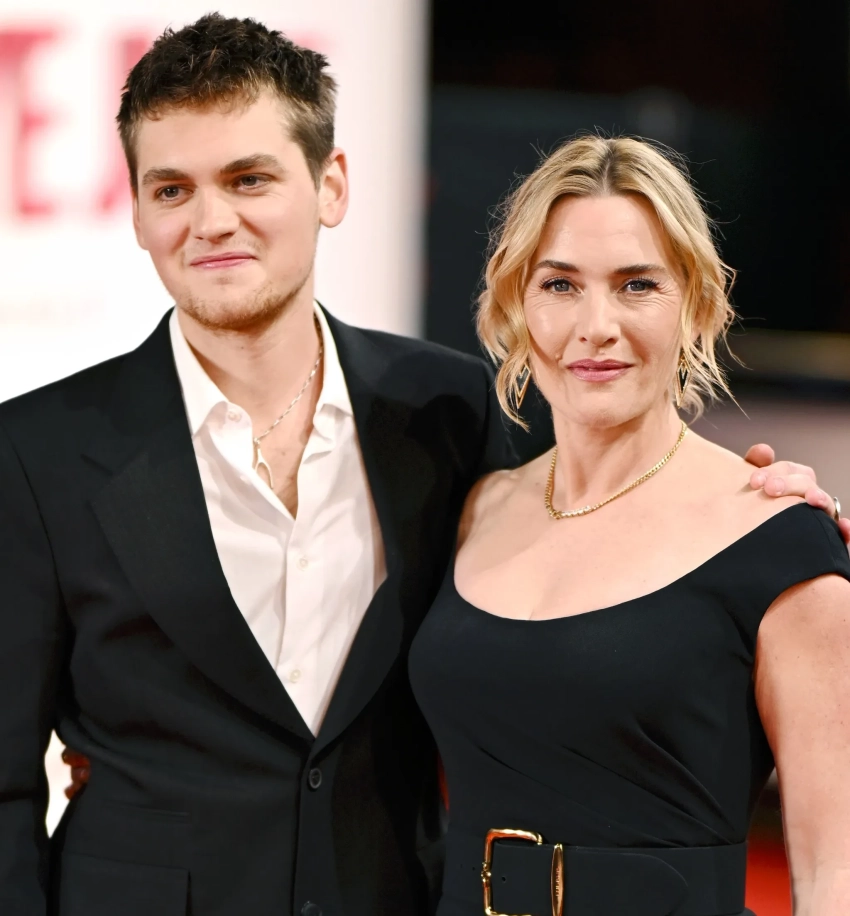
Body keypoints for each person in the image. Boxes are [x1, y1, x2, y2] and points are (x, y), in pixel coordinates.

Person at [0, 15, 841, 916]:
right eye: (172, 189)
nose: (212, 221)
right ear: (135, 211)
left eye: (249, 179)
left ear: (331, 185)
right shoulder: (36, 451)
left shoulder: (443, 411)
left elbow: (595, 586)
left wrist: (768, 518)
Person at [408, 135, 850, 916]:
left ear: (696, 304)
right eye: (560, 285)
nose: (596, 326)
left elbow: (833, 870)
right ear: (516, 303)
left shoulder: (779, 536)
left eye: (636, 285)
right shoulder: (476, 509)